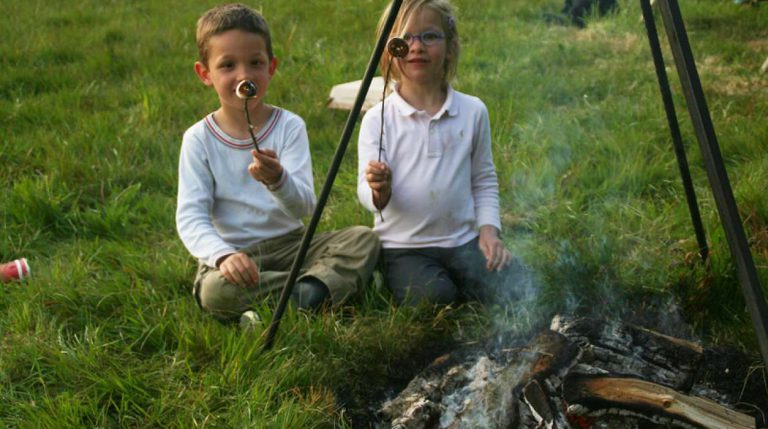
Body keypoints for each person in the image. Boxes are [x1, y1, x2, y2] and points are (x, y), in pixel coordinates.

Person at [177, 3, 380, 322]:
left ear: (271, 67)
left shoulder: (289, 126)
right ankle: (315, 293)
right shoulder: (199, 139)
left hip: (293, 245)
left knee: (363, 239)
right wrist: (223, 255)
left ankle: (291, 301)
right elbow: (191, 217)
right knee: (215, 291)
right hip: (238, 255)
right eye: (228, 65)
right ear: (205, 74)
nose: (244, 75)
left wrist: (278, 180)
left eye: (255, 63)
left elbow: (304, 209)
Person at [358, 0, 519, 306]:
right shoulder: (378, 119)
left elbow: (483, 179)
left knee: (513, 285)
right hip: (403, 246)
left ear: (450, 46)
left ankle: (466, 279)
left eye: (429, 36)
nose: (416, 46)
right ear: (388, 49)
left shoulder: (472, 111)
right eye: (404, 39)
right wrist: (380, 190)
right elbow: (366, 194)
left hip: (463, 242)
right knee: (436, 298)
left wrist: (489, 232)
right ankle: (389, 276)